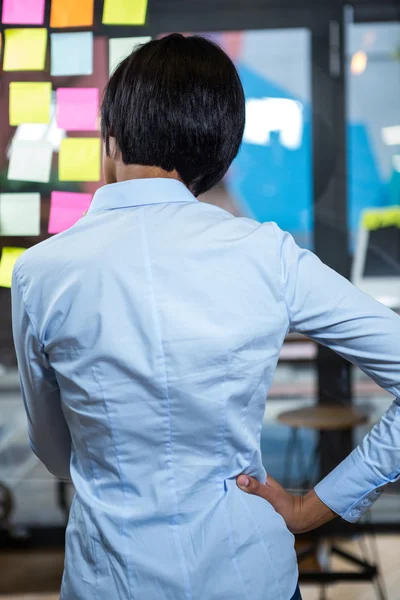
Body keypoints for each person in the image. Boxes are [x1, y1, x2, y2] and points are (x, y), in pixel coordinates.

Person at [11, 34, 400, 600]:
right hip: (249, 576)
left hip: (108, 582)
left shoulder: (41, 271)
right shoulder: (266, 254)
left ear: (111, 137)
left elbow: (53, 450)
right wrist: (315, 507)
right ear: (219, 151)